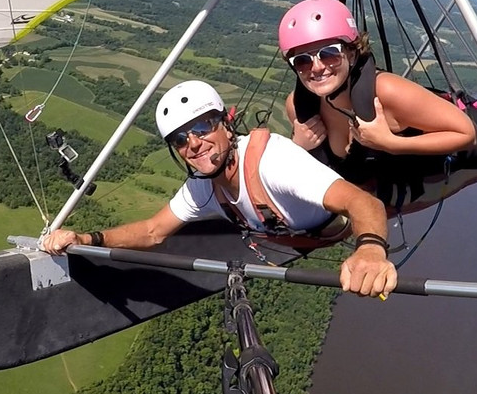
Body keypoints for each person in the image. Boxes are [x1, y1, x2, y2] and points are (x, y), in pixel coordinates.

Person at [41, 79, 397, 298]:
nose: (194, 143)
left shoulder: (273, 162)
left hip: (333, 221)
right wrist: (86, 239)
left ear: (227, 124)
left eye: (204, 126)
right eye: (181, 139)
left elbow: (361, 201)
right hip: (294, 232)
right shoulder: (203, 186)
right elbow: (152, 232)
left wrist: (370, 251)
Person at [278, 0, 477, 208]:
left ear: (351, 50)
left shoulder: (385, 92)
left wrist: (390, 143)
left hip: (472, 135)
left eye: (328, 53)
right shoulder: (299, 108)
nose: (316, 67)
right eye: (302, 60)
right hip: (410, 157)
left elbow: (467, 134)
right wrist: (298, 147)